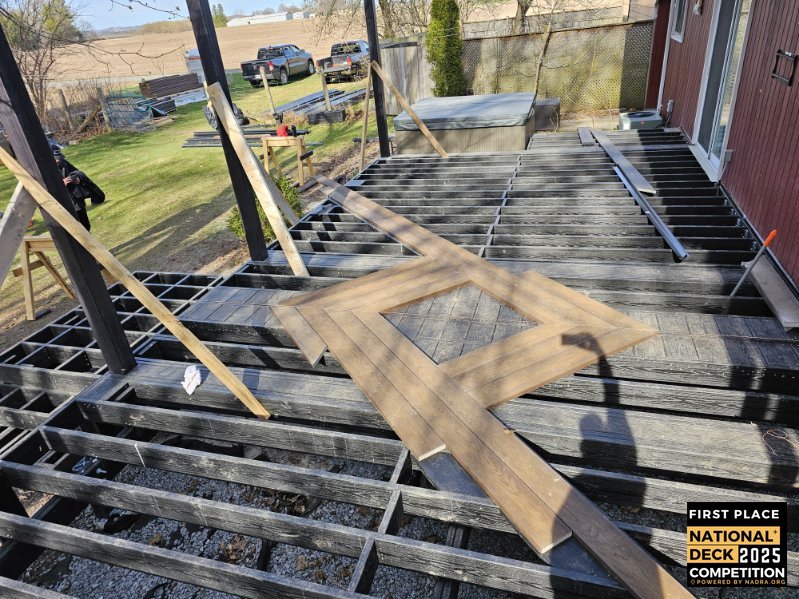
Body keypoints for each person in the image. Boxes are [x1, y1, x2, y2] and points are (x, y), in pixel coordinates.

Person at [51, 143, 105, 231]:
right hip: (63, 204)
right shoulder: (45, 170)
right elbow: (44, 187)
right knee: (73, 230)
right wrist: (60, 183)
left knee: (86, 226)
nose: (58, 160)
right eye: (56, 159)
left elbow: (76, 171)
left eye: (59, 158)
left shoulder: (64, 162)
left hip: (77, 200)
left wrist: (76, 178)